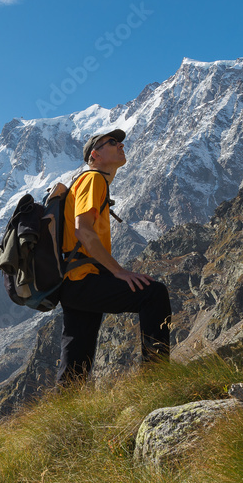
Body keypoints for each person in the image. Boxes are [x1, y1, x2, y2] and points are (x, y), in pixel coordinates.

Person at [56, 128, 171, 383]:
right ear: (95, 155)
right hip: (83, 278)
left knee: (76, 360)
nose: (120, 145)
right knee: (154, 294)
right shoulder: (93, 179)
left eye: (120, 141)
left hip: (73, 283)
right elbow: (82, 230)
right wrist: (119, 271)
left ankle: (65, 416)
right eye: (112, 142)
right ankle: (159, 379)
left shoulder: (91, 181)